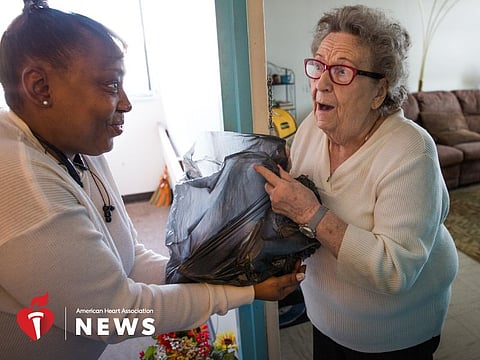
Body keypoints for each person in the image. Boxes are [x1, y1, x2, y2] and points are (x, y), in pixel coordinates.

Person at [0, 1, 305, 359]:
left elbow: (126, 258)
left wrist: (217, 272)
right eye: (111, 84)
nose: (126, 103)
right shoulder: (24, 187)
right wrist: (245, 293)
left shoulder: (78, 149)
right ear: (40, 87)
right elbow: (113, 319)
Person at [255, 5, 458, 359]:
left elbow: (394, 271)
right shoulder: (310, 130)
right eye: (318, 66)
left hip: (396, 335)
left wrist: (310, 213)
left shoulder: (410, 150)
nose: (321, 83)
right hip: (325, 318)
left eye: (342, 71)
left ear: (379, 90)